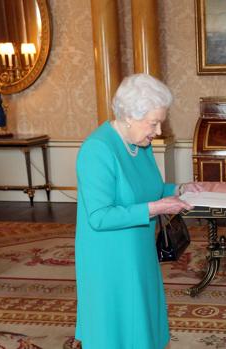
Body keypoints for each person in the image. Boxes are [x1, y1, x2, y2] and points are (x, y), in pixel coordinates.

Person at [74, 74, 202, 349]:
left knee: (143, 318)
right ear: (130, 115)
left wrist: (178, 189)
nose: (157, 131)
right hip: (109, 257)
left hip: (138, 249)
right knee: (117, 326)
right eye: (153, 123)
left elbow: (148, 188)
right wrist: (157, 208)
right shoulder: (97, 149)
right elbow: (99, 217)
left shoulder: (138, 143)